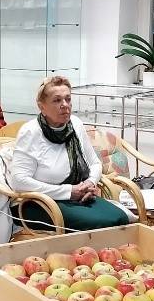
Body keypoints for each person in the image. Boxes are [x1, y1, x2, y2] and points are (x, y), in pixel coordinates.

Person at [10, 76, 129, 233]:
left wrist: (90, 183)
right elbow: (19, 181)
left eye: (68, 99)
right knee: (104, 224)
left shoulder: (75, 124)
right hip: (39, 202)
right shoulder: (31, 132)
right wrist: (68, 192)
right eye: (57, 100)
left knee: (120, 218)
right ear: (42, 107)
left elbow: (94, 163)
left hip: (78, 196)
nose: (64, 105)